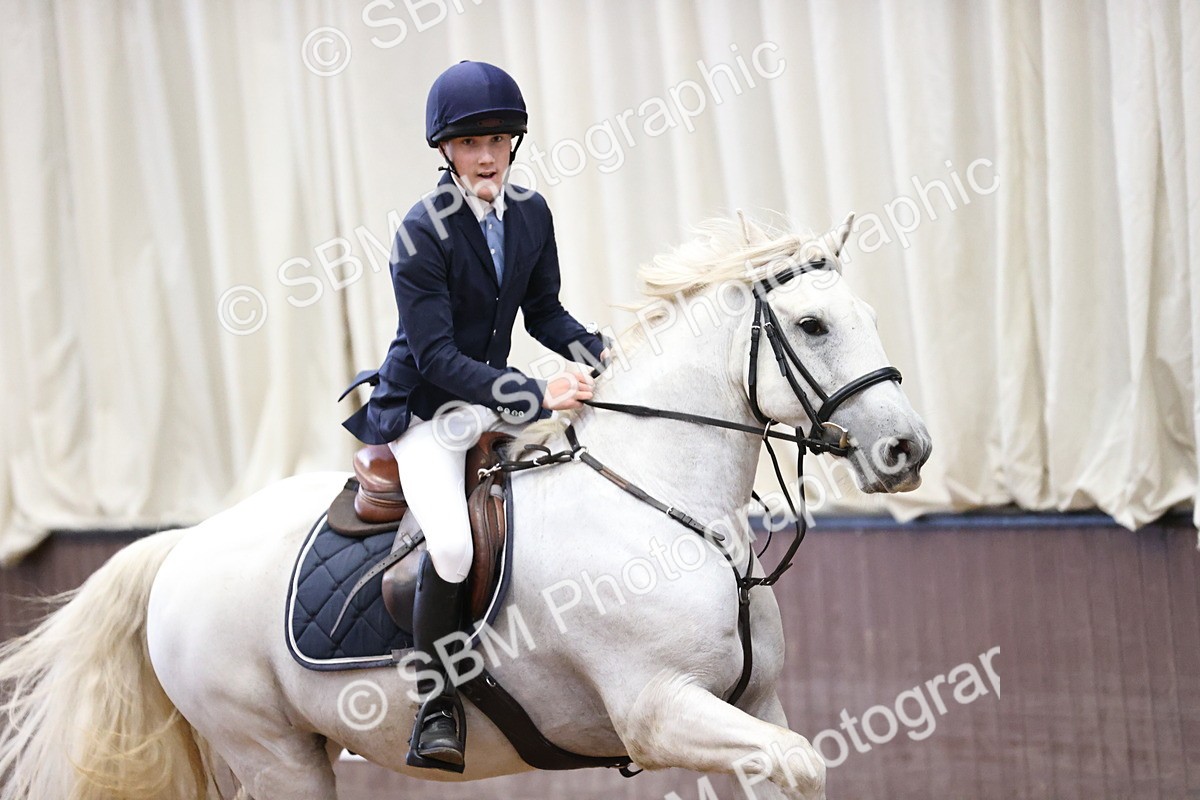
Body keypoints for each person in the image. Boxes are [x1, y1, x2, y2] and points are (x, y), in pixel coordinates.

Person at [340, 60, 607, 773]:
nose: (485, 156)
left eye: (496, 139)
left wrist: (605, 354)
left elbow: (544, 311)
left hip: (492, 398)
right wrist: (533, 393)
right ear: (444, 151)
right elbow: (434, 357)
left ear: (513, 142)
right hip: (427, 410)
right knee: (453, 548)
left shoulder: (531, 213)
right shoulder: (421, 232)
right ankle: (435, 702)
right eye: (468, 144)